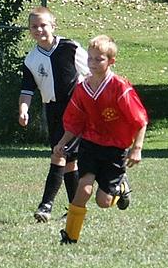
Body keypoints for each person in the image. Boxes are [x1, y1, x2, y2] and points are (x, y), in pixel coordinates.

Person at [54, 35, 148, 244]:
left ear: (111, 61)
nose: (93, 63)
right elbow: (74, 121)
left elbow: (140, 120)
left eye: (99, 59)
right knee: (84, 187)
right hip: (90, 144)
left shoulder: (120, 87)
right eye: (90, 58)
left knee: (103, 202)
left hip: (115, 149)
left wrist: (137, 148)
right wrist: (62, 142)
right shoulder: (83, 88)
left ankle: (121, 186)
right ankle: (70, 236)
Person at [18, 6, 89, 223]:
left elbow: (92, 71)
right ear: (29, 30)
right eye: (34, 27)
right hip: (53, 110)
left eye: (43, 25)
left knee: (59, 153)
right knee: (70, 162)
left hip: (76, 109)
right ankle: (75, 208)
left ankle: (46, 205)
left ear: (53, 26)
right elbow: (27, 89)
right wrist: (24, 108)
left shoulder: (70, 48)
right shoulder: (31, 59)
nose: (39, 30)